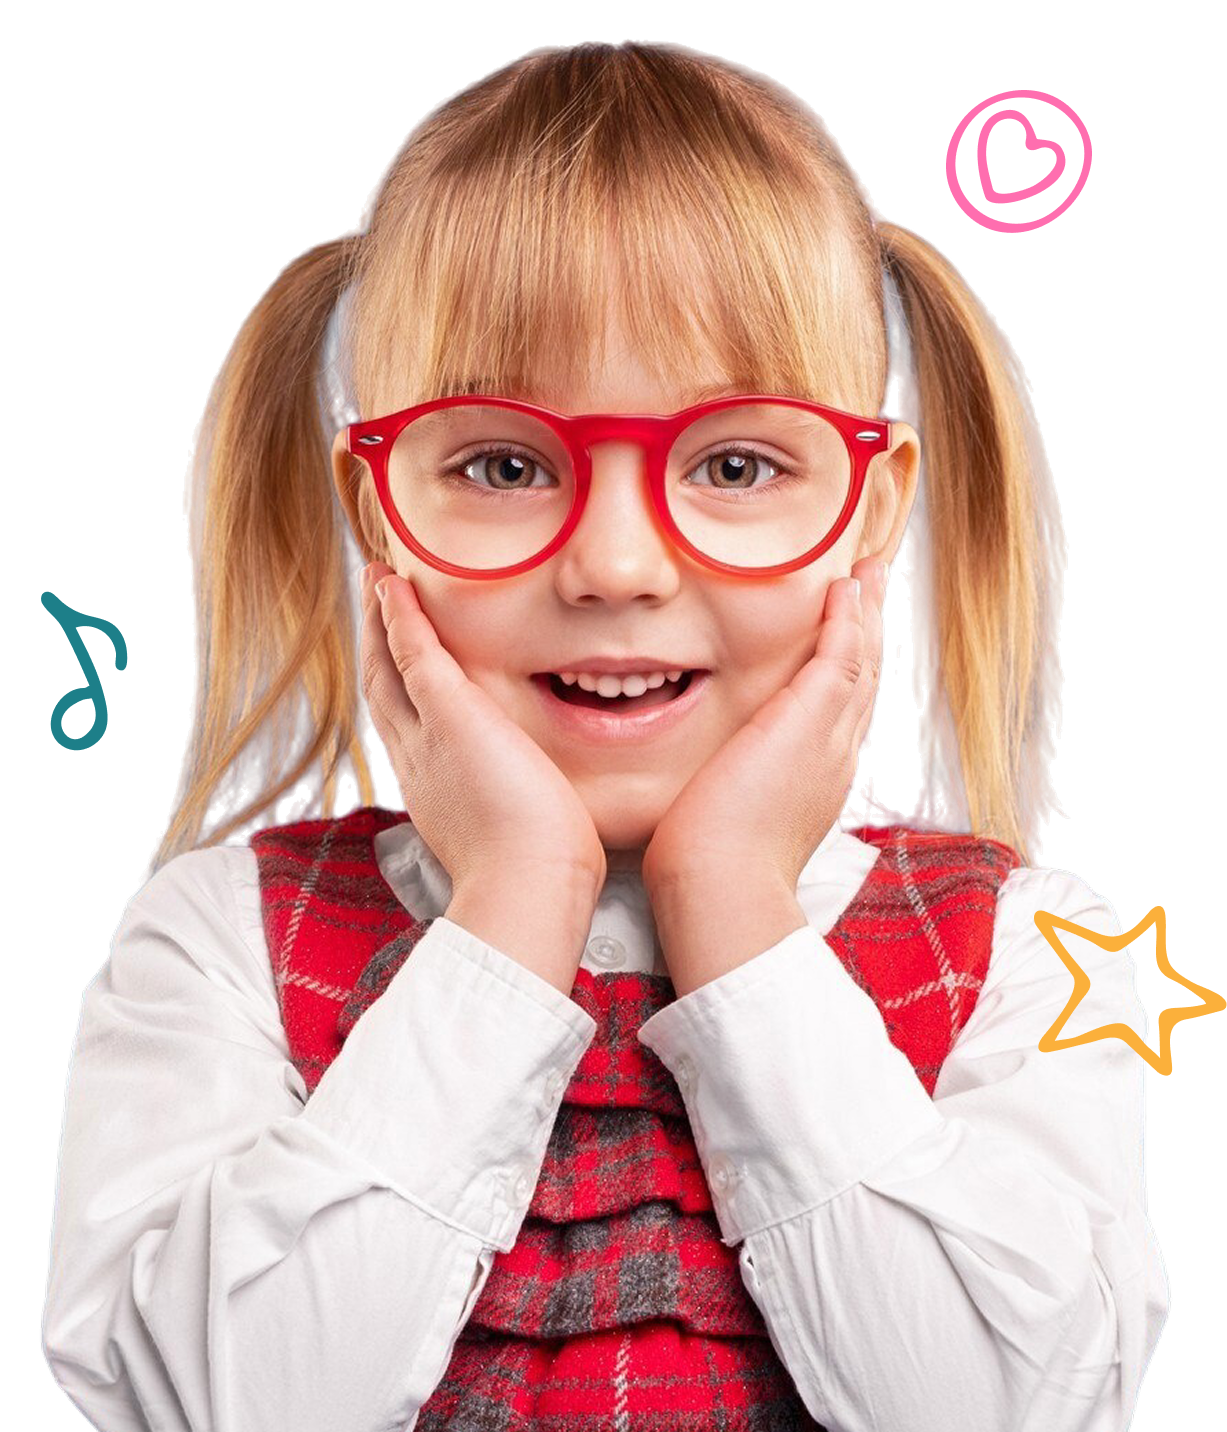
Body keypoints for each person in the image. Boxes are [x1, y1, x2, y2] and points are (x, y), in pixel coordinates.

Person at [41, 40, 1170, 1432]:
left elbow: (1008, 1409)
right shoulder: (210, 942)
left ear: (869, 515)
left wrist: (735, 908)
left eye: (736, 463)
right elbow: (211, 1410)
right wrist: (513, 904)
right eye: (504, 466)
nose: (619, 567)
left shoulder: (1035, 948)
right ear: (379, 508)